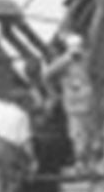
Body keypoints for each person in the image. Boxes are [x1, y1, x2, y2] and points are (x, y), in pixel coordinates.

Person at [41, 30, 100, 173]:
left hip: (85, 104)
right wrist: (54, 94)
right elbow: (47, 75)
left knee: (88, 135)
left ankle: (89, 164)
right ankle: (82, 164)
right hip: (76, 105)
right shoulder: (67, 61)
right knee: (79, 135)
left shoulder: (85, 59)